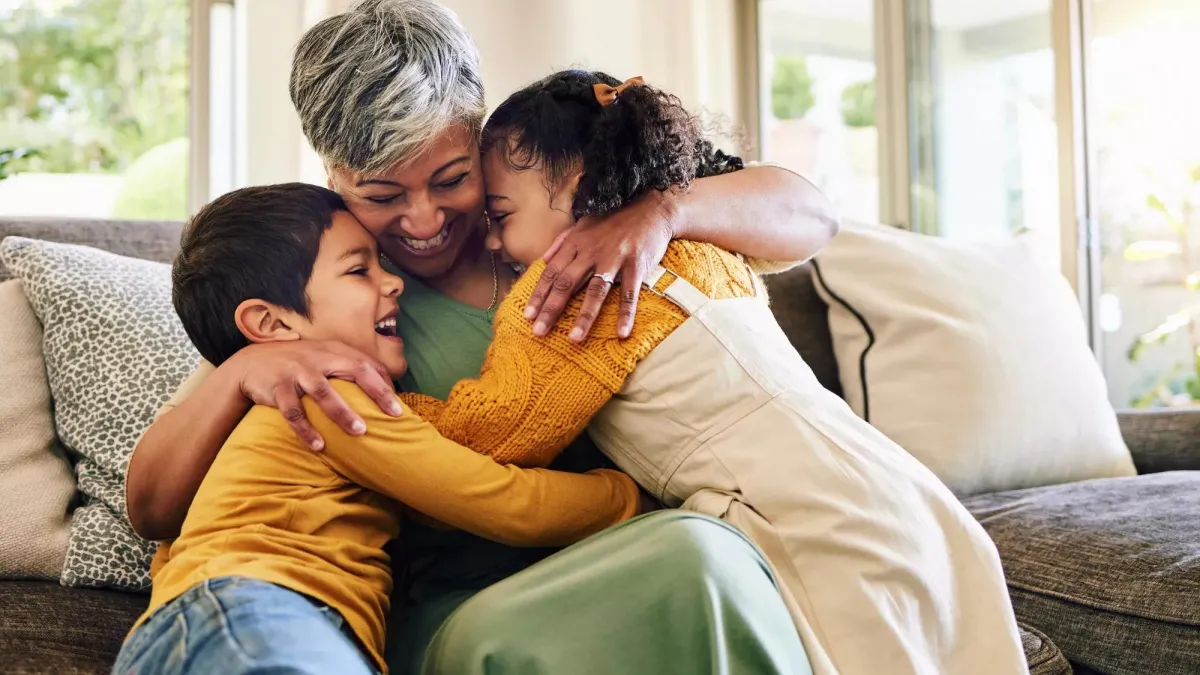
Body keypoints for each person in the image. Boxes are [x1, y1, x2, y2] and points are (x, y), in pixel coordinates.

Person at [124, 1, 837, 673]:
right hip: (472, 608)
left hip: (635, 546)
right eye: (381, 195)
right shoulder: (326, 293)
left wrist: (662, 212)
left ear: (478, 137)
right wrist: (238, 371)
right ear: (331, 175)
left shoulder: (558, 198)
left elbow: (811, 217)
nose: (424, 218)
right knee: (698, 556)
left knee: (720, 554)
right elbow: (152, 504)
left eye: (451, 179)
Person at [399, 69, 1029, 675]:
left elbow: (492, 435)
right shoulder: (710, 246)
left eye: (502, 216)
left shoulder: (574, 291)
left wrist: (369, 406)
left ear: (581, 190)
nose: (488, 240)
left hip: (792, 515)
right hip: (897, 487)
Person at [111, 183, 647, 675]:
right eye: (358, 270)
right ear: (273, 326)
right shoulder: (324, 394)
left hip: (254, 626)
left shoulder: (282, 394)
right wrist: (632, 498)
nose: (393, 282)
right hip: (252, 613)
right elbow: (505, 500)